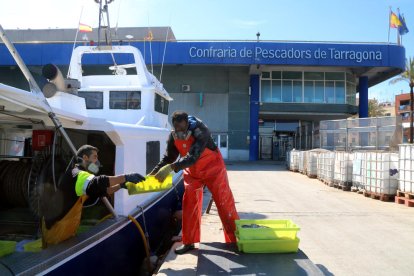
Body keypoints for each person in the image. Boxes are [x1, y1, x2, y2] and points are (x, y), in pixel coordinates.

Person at [150, 111, 239, 254]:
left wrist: (171, 168)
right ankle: (189, 242)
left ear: (187, 123)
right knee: (190, 203)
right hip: (193, 172)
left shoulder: (200, 130)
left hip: (213, 169)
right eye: (176, 128)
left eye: (182, 129)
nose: (179, 132)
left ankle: (235, 239)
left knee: (224, 202)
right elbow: (168, 158)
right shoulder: (173, 136)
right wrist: (152, 173)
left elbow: (193, 156)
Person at [42, 144, 145, 247]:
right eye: (95, 157)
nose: (97, 161)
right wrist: (126, 177)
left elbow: (100, 191)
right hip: (55, 233)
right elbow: (98, 182)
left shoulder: (78, 175)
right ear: (85, 158)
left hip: (64, 232)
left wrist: (120, 185)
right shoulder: (78, 174)